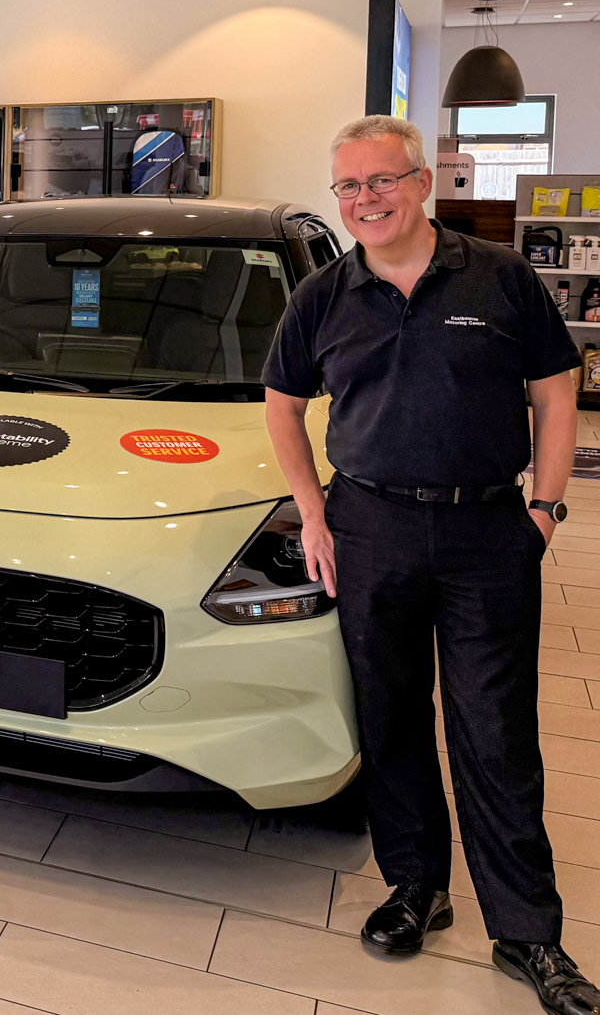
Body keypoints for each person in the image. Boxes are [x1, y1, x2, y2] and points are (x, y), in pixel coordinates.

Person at [263, 114, 597, 1015]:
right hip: (368, 525)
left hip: (489, 529)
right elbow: (282, 403)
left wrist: (546, 507)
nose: (364, 200)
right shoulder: (325, 296)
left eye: (380, 181)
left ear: (421, 184)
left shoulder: (500, 277)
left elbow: (556, 393)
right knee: (393, 717)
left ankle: (528, 931)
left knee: (493, 729)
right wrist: (313, 513)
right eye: (348, 186)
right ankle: (417, 888)